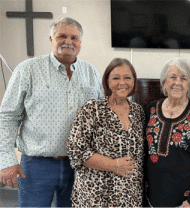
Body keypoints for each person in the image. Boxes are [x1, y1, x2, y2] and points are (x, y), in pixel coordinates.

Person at [0, 17, 103, 207]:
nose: (68, 42)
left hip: (81, 166)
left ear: (80, 42)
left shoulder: (92, 73)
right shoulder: (28, 70)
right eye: (61, 36)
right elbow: (7, 116)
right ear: (50, 39)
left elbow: (101, 119)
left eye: (74, 37)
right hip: (37, 166)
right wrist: (6, 160)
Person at [67, 58, 145, 207]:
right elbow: (75, 150)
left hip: (129, 196)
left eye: (127, 77)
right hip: (95, 195)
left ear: (134, 81)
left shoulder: (138, 111)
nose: (122, 83)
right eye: (116, 78)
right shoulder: (92, 109)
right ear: (107, 82)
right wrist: (113, 165)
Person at [144, 57, 190, 207]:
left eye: (183, 78)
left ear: (189, 84)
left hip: (184, 201)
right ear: (164, 82)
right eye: (172, 77)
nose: (177, 82)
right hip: (151, 197)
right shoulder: (151, 109)